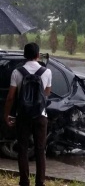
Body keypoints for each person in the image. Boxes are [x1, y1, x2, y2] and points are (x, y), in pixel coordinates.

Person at [3, 42, 52, 186]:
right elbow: (47, 93)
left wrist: (6, 115)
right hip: (40, 116)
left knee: (23, 150)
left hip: (23, 116)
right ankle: (40, 182)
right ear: (38, 55)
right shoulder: (46, 72)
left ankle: (24, 182)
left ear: (24, 55)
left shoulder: (17, 72)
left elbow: (11, 97)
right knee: (40, 150)